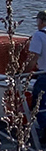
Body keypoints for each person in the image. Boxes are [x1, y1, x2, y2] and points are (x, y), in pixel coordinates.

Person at [29, 10, 46, 139]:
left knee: (39, 104)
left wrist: (25, 73)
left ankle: (44, 132)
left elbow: (33, 58)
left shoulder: (39, 35)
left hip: (44, 74)